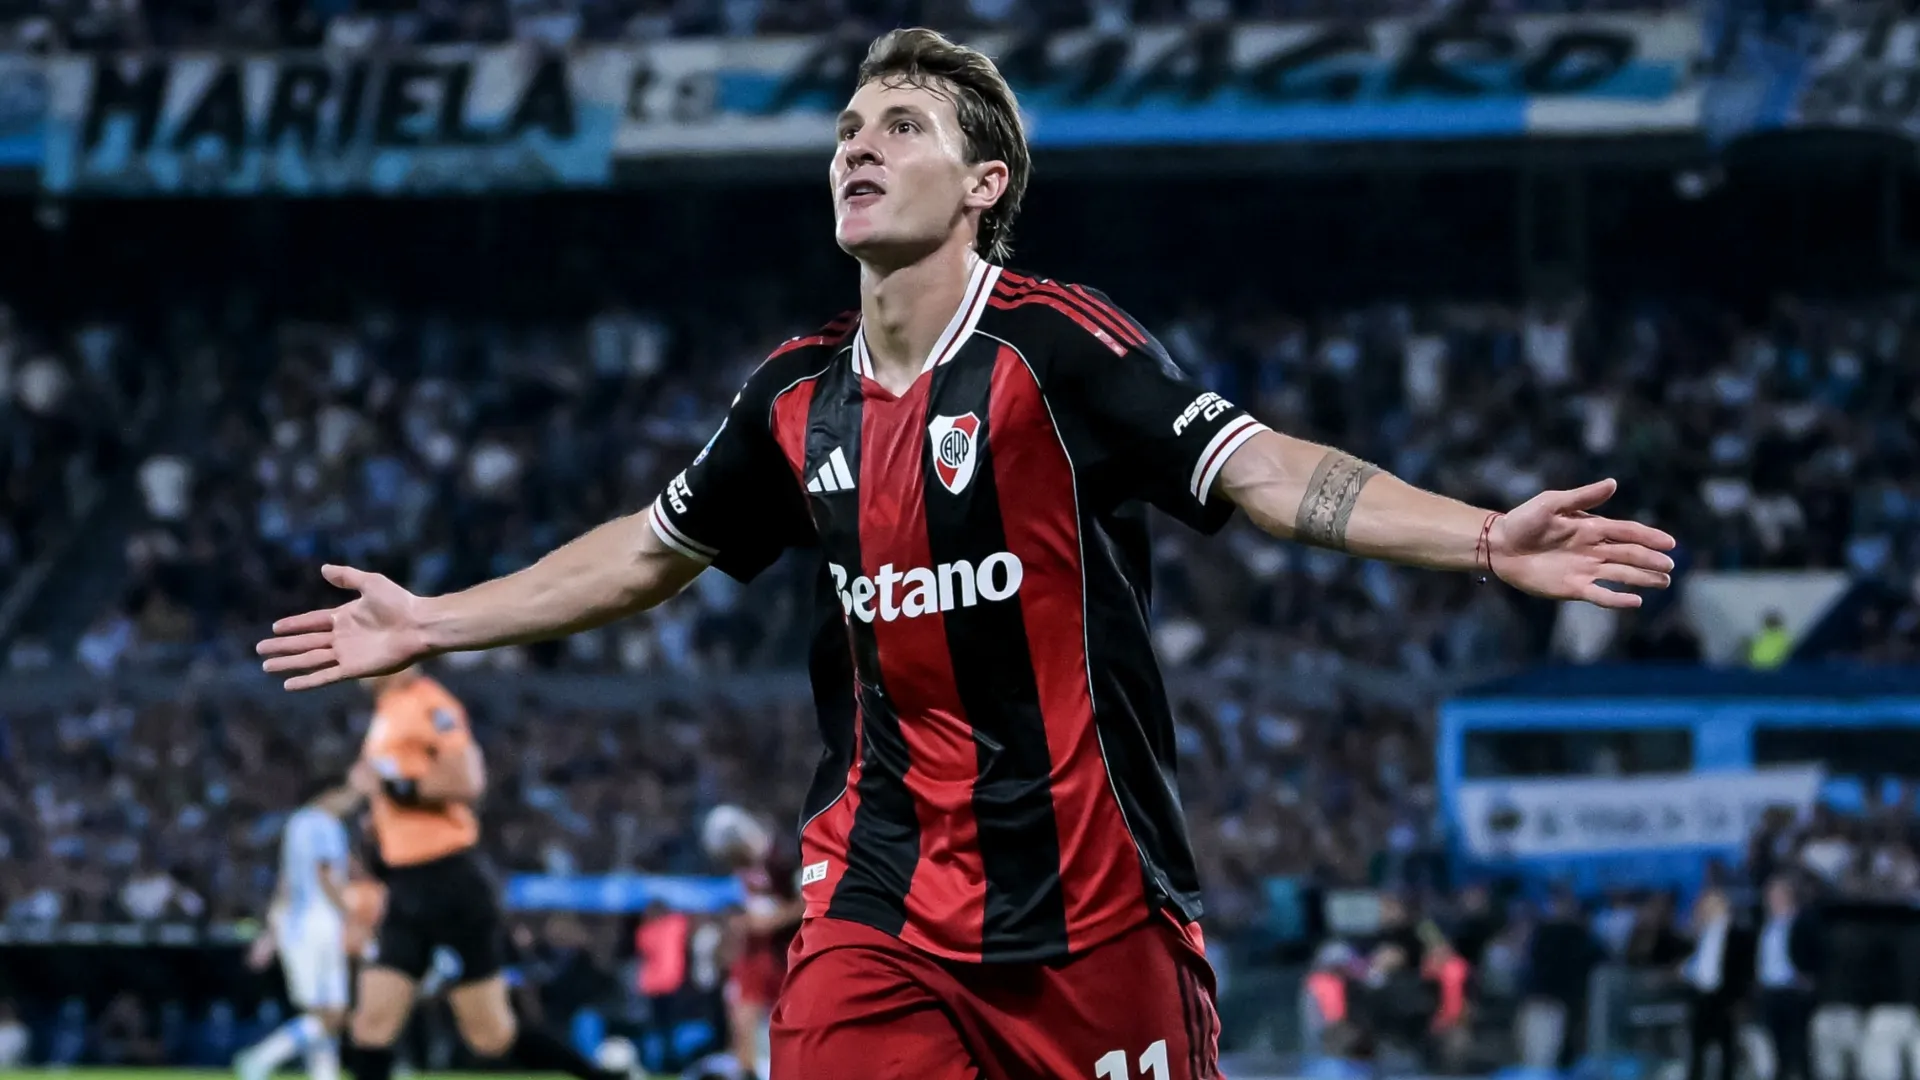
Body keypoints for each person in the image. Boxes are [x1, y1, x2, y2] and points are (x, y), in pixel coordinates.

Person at [253, 28, 1677, 1078]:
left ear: (985, 182)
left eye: (901, 127)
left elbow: (1263, 472)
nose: (856, 146)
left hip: (1096, 907)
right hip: (876, 899)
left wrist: (1484, 538)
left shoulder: (1059, 348)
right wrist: (435, 620)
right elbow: (648, 551)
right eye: (848, 128)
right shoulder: (791, 395)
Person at [340, 667, 625, 1080]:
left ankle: (599, 1078)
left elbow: (467, 779)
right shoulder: (388, 710)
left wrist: (392, 789)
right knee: (371, 1027)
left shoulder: (429, 703)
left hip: (450, 879)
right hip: (407, 884)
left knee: (491, 1038)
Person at [237, 782, 363, 1080]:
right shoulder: (326, 824)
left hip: (296, 925)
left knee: (321, 1013)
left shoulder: (296, 823)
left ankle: (324, 1074)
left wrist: (272, 931)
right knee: (334, 1013)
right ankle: (259, 1058)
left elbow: (286, 882)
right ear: (332, 793)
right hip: (321, 924)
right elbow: (325, 874)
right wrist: (351, 916)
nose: (351, 805)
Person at [702, 806, 804, 1080]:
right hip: (756, 950)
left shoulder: (784, 856)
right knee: (741, 1009)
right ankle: (745, 1072)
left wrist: (773, 921)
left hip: (789, 949)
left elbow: (810, 899)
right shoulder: (744, 866)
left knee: (793, 1018)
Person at [1682, 887, 1754, 1080]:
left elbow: (1744, 970)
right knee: (1698, 1047)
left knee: (1726, 1049)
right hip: (1701, 996)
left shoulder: (1738, 934)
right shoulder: (1700, 934)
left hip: (1725, 998)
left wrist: (1740, 999)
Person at [1755, 876, 1823, 1080]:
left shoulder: (1803, 921)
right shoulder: (1767, 925)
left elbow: (1816, 951)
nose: (1772, 899)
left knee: (1800, 1044)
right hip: (1771, 990)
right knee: (1776, 1045)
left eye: (1776, 894)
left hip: (1793, 990)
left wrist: (1810, 977)